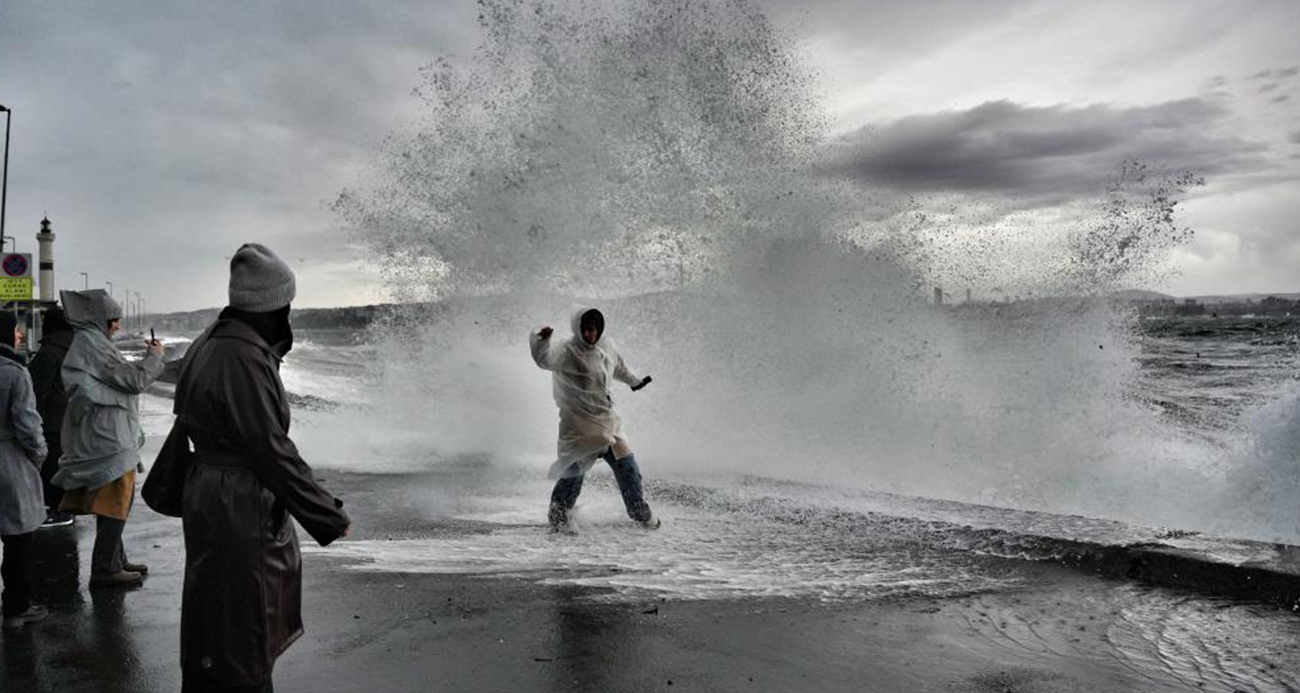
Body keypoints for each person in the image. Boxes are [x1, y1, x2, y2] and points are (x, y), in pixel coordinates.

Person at [173, 243, 350, 693]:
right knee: (244, 617)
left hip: (211, 491)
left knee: (215, 610)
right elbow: (269, 448)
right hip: (236, 500)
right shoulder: (242, 356)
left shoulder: (212, 340)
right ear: (274, 304)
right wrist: (325, 513)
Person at [52, 289, 165, 588]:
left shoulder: (91, 341)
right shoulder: (93, 344)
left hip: (107, 432)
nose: (117, 326)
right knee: (117, 497)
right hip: (107, 435)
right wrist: (154, 358)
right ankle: (105, 567)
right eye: (114, 320)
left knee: (113, 497)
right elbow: (133, 380)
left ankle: (115, 559)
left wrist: (144, 358)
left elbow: (121, 376)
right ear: (102, 320)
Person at [530, 307, 659, 532]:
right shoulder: (565, 350)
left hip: (610, 423)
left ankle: (643, 515)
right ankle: (560, 521)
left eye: (595, 330)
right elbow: (544, 360)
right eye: (587, 330)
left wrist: (634, 381)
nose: (591, 335)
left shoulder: (607, 344)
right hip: (579, 425)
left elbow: (617, 366)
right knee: (573, 476)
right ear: (578, 329)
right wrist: (541, 340)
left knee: (629, 470)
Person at [0, 311, 51, 629]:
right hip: (9, 458)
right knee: (18, 535)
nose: (21, 335)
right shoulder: (15, 373)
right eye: (16, 331)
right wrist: (39, 455)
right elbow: (28, 426)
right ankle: (17, 608)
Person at [28, 305, 75, 528]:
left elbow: (37, 393)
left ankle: (57, 510)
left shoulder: (49, 353)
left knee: (51, 467)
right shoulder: (73, 349)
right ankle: (64, 507)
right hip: (69, 420)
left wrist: (33, 425)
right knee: (61, 466)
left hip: (51, 423)